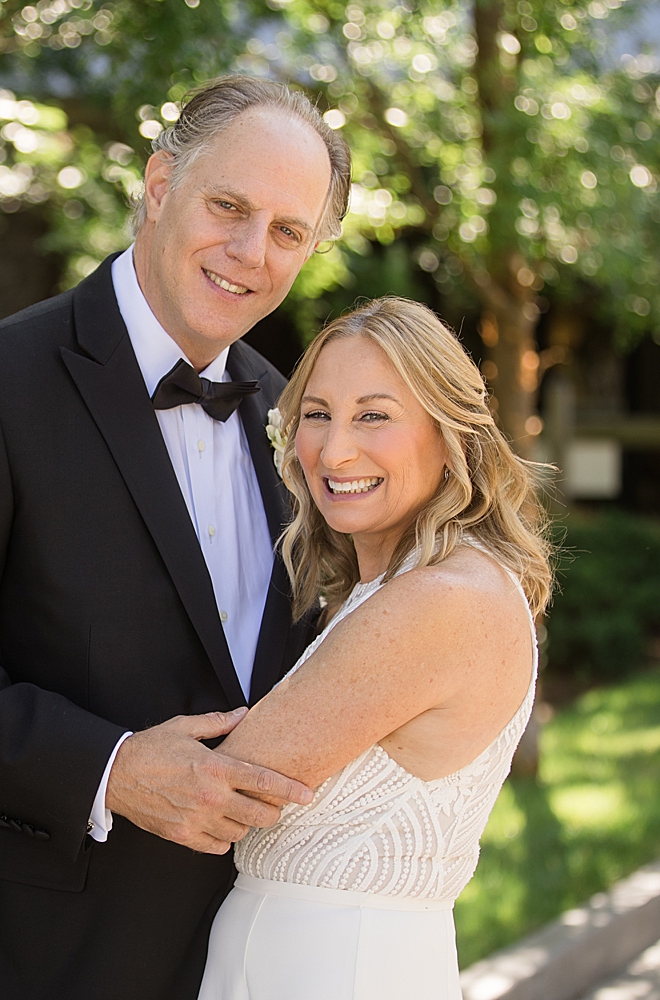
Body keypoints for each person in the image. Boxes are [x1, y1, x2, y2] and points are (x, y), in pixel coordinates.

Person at [0, 76, 353, 999]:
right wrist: (110, 770)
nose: (249, 251)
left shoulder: (290, 415)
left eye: (288, 231)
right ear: (160, 187)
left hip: (215, 951)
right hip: (4, 950)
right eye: (227, 205)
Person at [195, 297, 553, 999]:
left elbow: (215, 790)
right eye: (318, 413)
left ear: (451, 437)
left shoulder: (439, 602)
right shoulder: (389, 589)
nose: (334, 451)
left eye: (374, 415)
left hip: (340, 969)